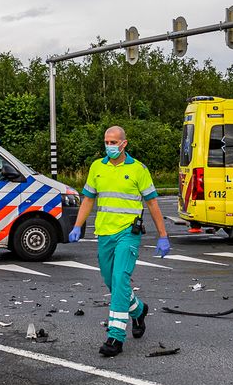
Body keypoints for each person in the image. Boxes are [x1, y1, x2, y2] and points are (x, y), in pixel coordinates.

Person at [67, 126, 170, 358]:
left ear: (124, 143)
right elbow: (88, 199)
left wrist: (163, 235)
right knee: (112, 282)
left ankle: (115, 336)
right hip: (105, 233)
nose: (109, 146)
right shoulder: (97, 167)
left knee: (120, 278)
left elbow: (152, 203)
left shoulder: (138, 169)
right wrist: (77, 226)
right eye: (106, 141)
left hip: (128, 233)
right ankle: (139, 310)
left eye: (113, 142)